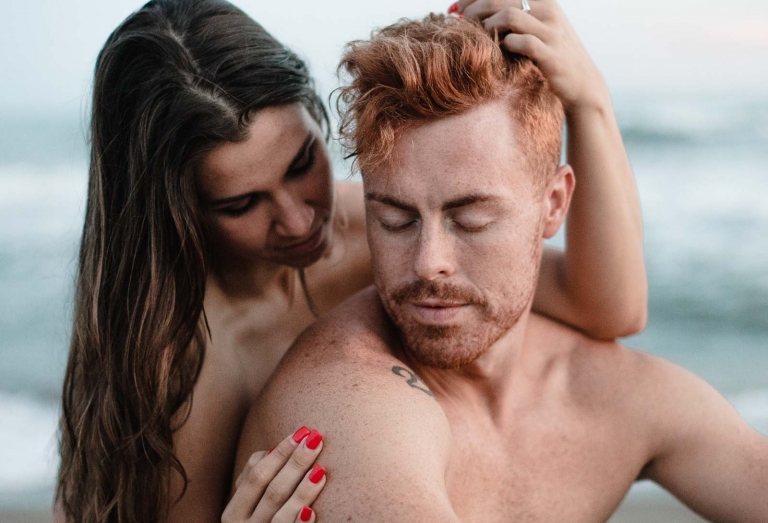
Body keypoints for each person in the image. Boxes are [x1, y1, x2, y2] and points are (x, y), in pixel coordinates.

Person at [56, 0, 648, 522]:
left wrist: (589, 102)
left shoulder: (387, 225)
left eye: (300, 164)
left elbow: (608, 309)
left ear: (319, 117)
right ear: (177, 210)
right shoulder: (189, 367)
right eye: (241, 203)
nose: (298, 219)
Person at [234, 12, 768, 523]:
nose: (429, 263)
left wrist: (590, 100)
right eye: (395, 220)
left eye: (470, 219)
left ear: (554, 204)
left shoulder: (614, 393)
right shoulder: (342, 401)